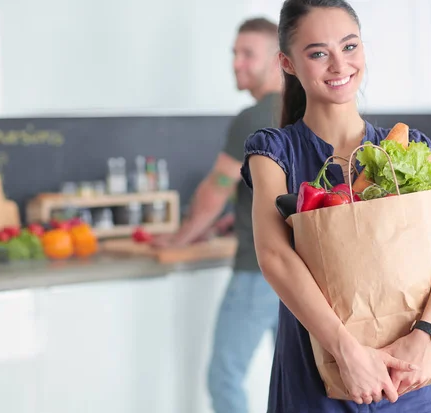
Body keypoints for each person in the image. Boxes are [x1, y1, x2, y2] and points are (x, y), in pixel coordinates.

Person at [239, 1, 431, 412]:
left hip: (411, 375)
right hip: (319, 382)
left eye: (349, 46)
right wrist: (346, 351)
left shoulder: (408, 147)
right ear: (288, 63)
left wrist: (426, 337)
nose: (339, 64)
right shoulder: (274, 152)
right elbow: (275, 255)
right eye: (318, 53)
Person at [151, 17, 283, 413]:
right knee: (294, 378)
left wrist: (181, 236)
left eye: (248, 54)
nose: (237, 63)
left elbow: (216, 189)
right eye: (234, 53)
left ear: (278, 59)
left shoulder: (253, 116)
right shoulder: (302, 108)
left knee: (224, 377)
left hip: (256, 269)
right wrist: (239, 215)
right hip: (300, 269)